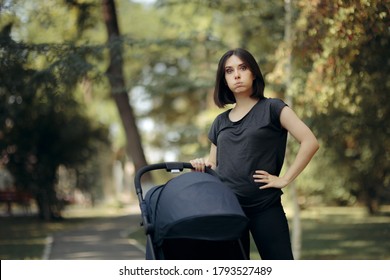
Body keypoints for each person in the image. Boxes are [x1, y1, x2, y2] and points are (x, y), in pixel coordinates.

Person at [190, 48, 319, 260]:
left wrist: (285, 179)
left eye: (242, 68)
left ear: (254, 73)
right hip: (229, 209)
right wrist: (201, 165)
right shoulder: (220, 122)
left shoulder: (273, 108)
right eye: (229, 71)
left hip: (265, 207)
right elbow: (214, 165)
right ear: (224, 80)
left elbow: (310, 142)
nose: (236, 75)